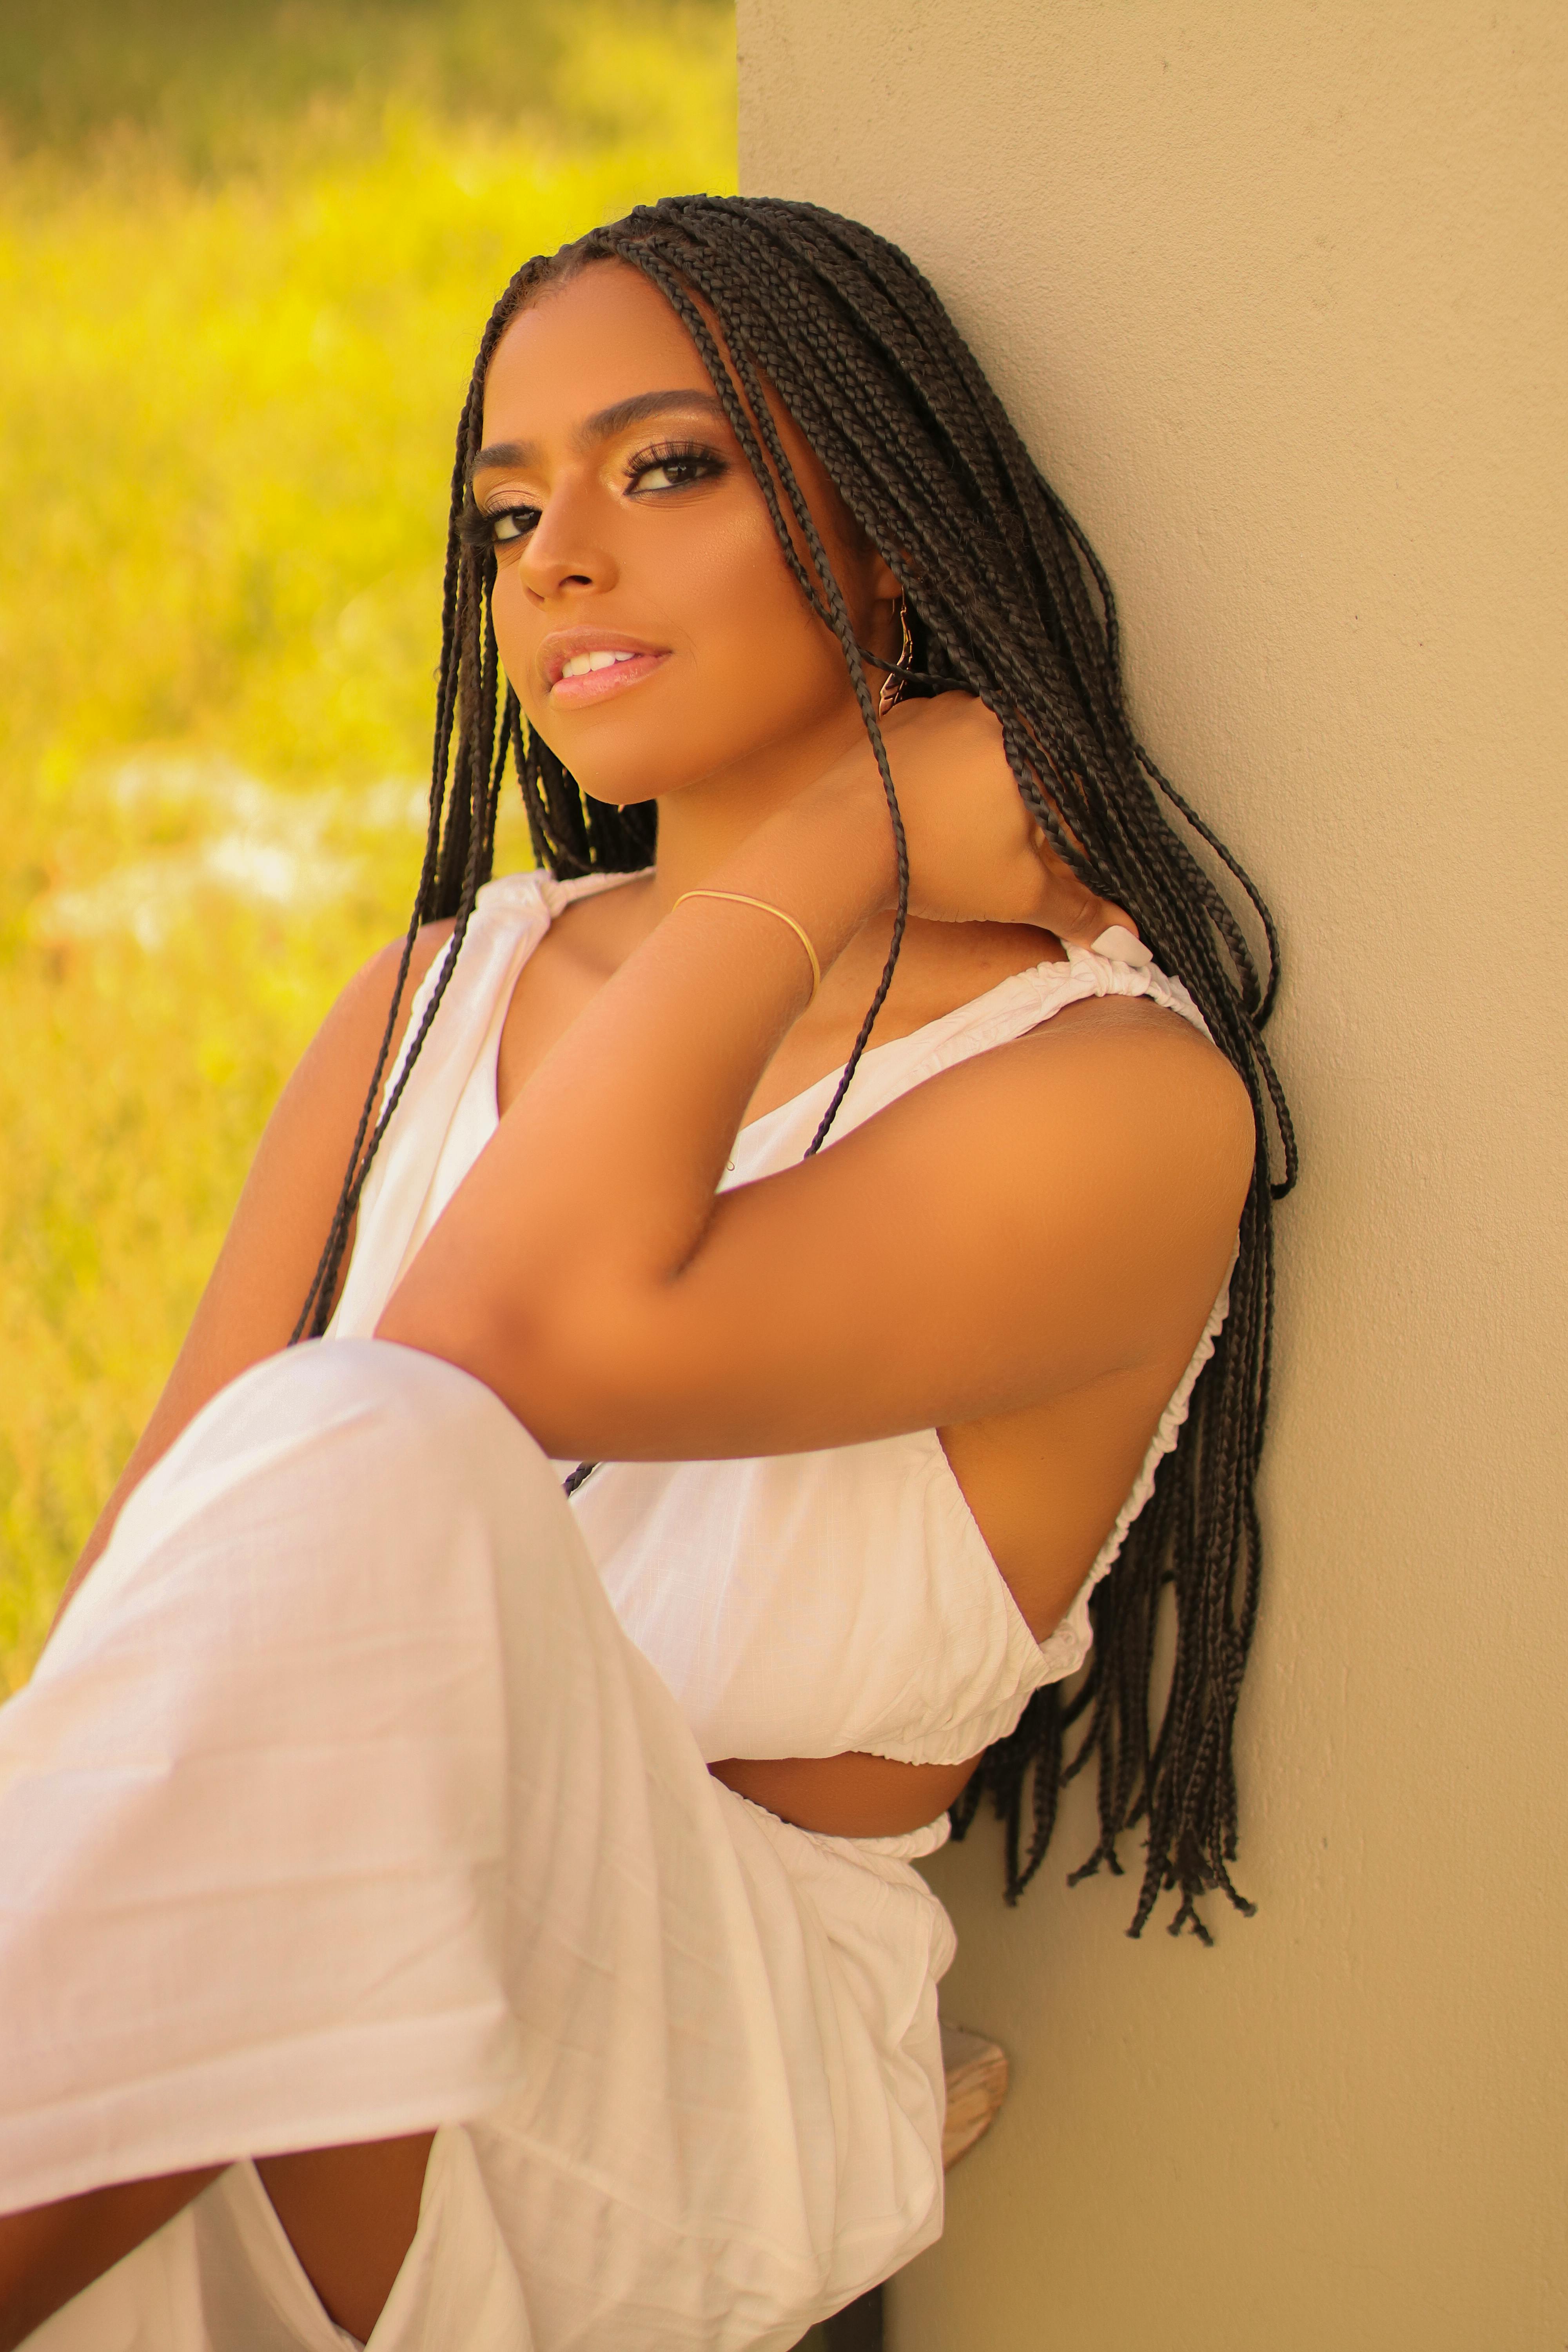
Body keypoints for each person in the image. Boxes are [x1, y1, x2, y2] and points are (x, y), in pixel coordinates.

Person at [0, 196, 1292, 2350]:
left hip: (680, 2073)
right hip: (250, 1999)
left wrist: (842, 843)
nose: (554, 564)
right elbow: (143, 1629)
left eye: (666, 468)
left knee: (363, 1438)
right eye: (509, 516)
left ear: (888, 538)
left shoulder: (1112, 1100)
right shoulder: (435, 997)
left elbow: (498, 1351)